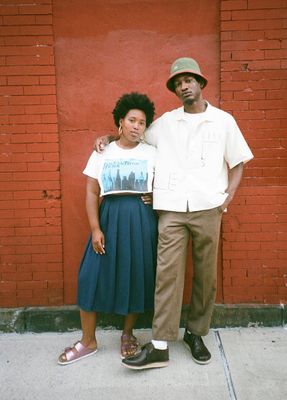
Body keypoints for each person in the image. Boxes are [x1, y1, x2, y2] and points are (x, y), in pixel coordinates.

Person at [95, 57, 254, 370]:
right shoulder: (166, 122)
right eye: (178, 83)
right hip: (171, 210)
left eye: (189, 80)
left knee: (205, 276)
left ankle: (195, 333)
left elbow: (238, 162)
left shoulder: (223, 121)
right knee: (166, 274)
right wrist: (111, 137)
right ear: (175, 89)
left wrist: (228, 196)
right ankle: (160, 344)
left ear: (200, 83)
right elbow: (135, 134)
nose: (184, 86)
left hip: (209, 206)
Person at [58, 92, 158, 365]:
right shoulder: (103, 151)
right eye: (132, 120)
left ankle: (128, 334)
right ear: (121, 123)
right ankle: (88, 340)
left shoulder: (152, 153)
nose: (137, 126)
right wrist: (95, 228)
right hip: (109, 217)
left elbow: (168, 183)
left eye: (142, 122)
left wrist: (156, 196)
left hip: (141, 220)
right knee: (90, 275)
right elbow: (92, 192)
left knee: (136, 276)